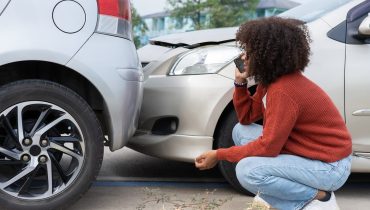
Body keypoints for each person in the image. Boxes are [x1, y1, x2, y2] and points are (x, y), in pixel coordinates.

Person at [194, 17, 352, 210]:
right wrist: (240, 83)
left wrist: (219, 154)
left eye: (250, 51)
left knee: (247, 171)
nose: (244, 56)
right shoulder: (271, 82)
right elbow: (246, 118)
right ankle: (293, 198)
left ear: (267, 55)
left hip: (330, 167)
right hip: (309, 153)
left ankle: (318, 198)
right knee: (240, 131)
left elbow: (269, 147)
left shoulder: (284, 90)